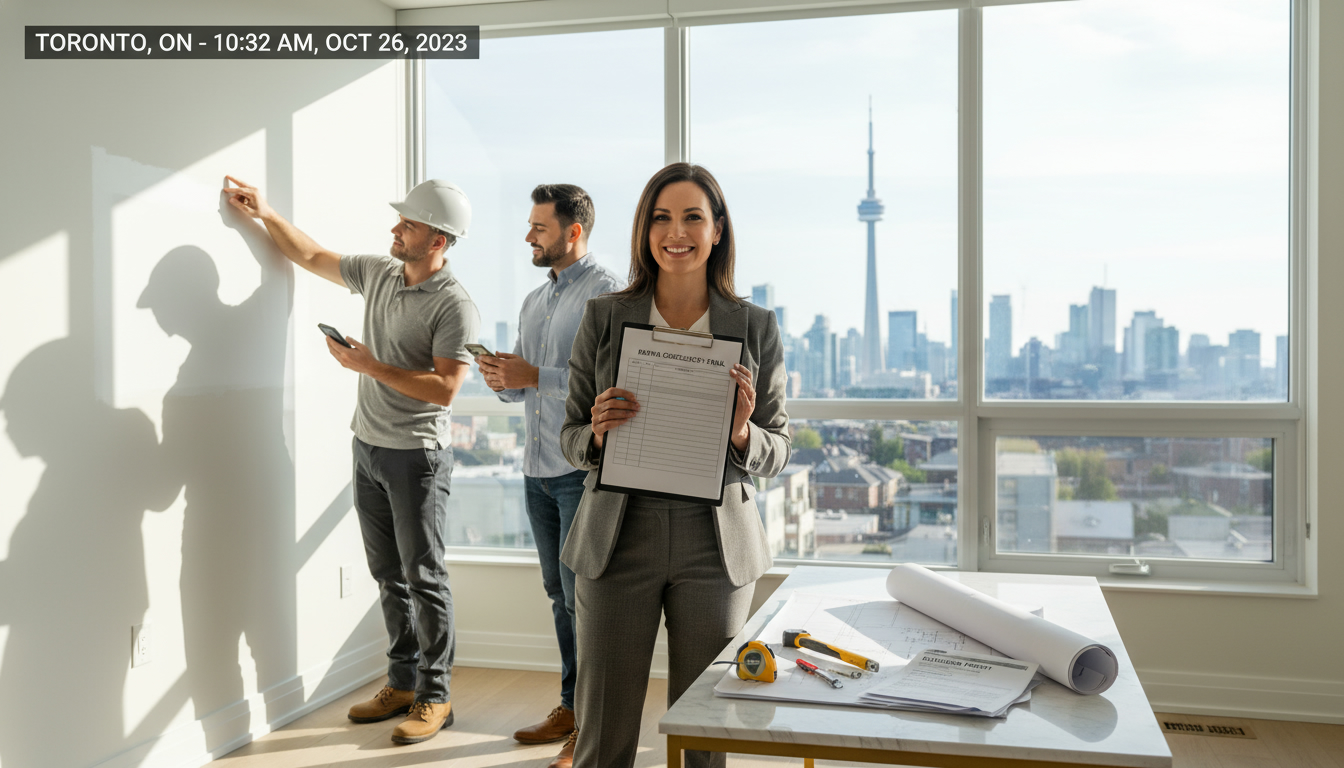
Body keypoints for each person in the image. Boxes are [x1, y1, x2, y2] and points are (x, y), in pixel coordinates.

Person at [223, 176, 480, 745]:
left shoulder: (454, 305)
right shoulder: (381, 271)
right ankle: (404, 682)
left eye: (407, 224)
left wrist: (369, 367)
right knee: (388, 574)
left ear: (437, 240)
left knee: (424, 577)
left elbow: (444, 388)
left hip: (417, 458)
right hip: (367, 445)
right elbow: (311, 254)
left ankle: (436, 697)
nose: (395, 229)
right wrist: (265, 214)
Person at [559, 163, 790, 768]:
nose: (676, 231)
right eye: (661, 217)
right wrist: (599, 435)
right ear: (644, 230)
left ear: (718, 231)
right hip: (617, 535)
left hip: (714, 546)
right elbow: (569, 438)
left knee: (705, 730)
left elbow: (779, 446)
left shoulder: (756, 327)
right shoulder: (604, 317)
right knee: (603, 729)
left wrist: (742, 432)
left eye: (693, 216)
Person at [476, 184, 623, 768]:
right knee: (557, 595)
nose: (529, 237)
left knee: (584, 599)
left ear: (573, 232)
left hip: (579, 469)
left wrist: (535, 374)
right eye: (531, 227)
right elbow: (524, 388)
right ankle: (570, 705)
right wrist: (503, 377)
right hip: (535, 470)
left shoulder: (607, 293)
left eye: (540, 227)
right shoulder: (534, 302)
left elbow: (610, 385)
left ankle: (589, 728)